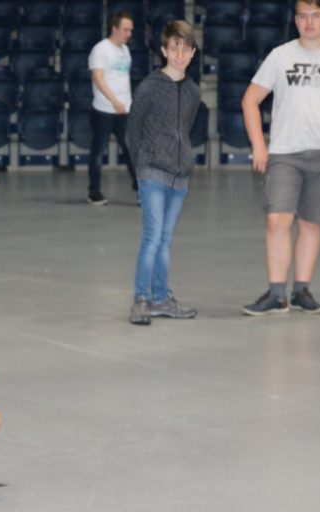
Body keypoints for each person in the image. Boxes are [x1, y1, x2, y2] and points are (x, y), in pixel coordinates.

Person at [241, 0, 320, 315]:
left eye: (315, 16)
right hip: (285, 152)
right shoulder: (280, 56)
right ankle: (275, 294)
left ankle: (301, 291)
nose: (309, 22)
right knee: (277, 219)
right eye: (303, 16)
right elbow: (250, 100)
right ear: (296, 21)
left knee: (310, 222)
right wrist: (259, 145)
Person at [126, 20, 200, 325]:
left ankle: (160, 299)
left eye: (185, 49)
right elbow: (133, 130)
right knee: (153, 237)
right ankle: (141, 300)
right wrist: (143, 164)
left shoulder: (194, 91)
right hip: (152, 172)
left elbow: (186, 128)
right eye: (174, 48)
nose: (179, 55)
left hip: (179, 176)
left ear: (193, 52)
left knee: (165, 240)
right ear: (164, 50)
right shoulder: (149, 87)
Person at [87, 12, 138, 206]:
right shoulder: (100, 50)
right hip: (104, 110)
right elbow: (98, 78)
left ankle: (141, 189)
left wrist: (126, 103)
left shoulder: (125, 50)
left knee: (131, 150)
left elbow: (122, 79)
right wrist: (114, 100)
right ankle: (94, 192)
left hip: (124, 110)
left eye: (130, 30)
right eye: (126, 30)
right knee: (98, 151)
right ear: (114, 29)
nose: (129, 34)